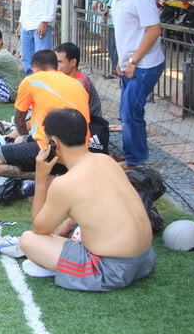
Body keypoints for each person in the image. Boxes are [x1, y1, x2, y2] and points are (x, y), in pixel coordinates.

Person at [16, 108, 156, 292]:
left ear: (54, 142)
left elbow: (40, 229)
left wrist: (41, 179)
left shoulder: (64, 184)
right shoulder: (106, 160)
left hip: (111, 270)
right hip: (145, 260)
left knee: (28, 241)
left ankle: (67, 270)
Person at [96, 0, 165, 170]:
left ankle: (135, 161)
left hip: (144, 65)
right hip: (130, 65)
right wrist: (121, 61)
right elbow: (127, 32)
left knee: (129, 111)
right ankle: (134, 156)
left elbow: (153, 30)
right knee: (128, 111)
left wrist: (134, 61)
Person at [0, 49, 89, 180]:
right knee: (21, 140)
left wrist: (24, 135)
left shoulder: (31, 81)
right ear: (56, 66)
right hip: (81, 152)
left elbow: (19, 119)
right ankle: (62, 173)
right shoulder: (77, 84)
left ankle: (48, 177)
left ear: (34, 69)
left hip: (52, 150)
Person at [53, 42, 102, 118]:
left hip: (84, 124)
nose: (55, 65)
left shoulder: (80, 83)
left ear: (73, 62)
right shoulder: (63, 77)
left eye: (59, 62)